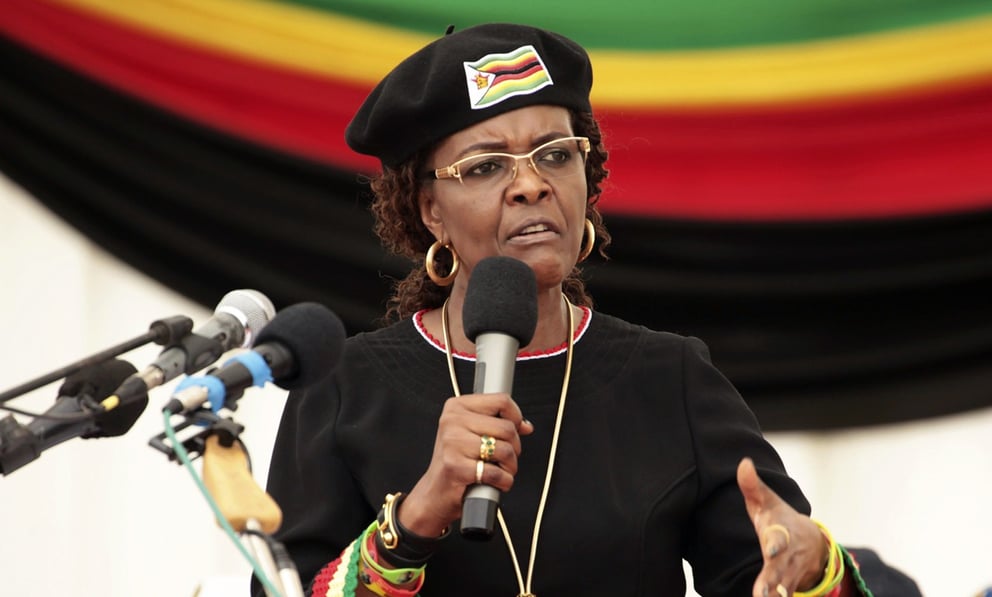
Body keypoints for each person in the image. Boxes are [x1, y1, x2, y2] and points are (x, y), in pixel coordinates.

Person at [255, 23, 914, 597]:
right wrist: (411, 523)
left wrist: (814, 566)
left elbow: (768, 572)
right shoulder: (345, 389)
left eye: (555, 154)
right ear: (430, 210)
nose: (532, 183)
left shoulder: (670, 378)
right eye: (486, 167)